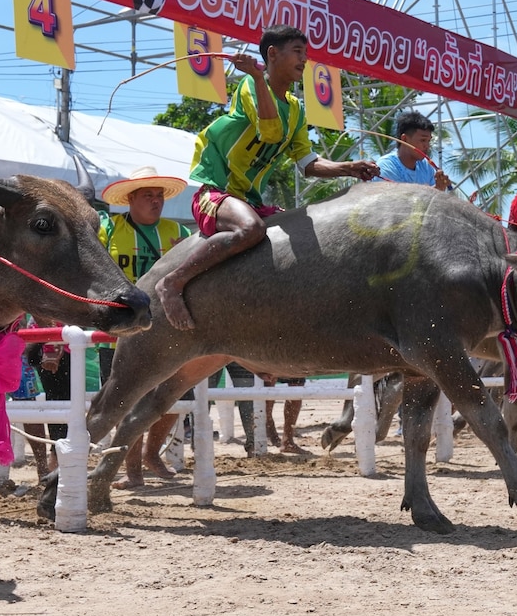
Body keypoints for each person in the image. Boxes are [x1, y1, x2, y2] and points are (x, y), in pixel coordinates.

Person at [159, 24, 379, 331]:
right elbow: (271, 131)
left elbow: (307, 162)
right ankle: (173, 282)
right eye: (297, 52)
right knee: (251, 229)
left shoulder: (296, 109)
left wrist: (348, 168)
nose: (304, 60)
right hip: (215, 193)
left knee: (298, 233)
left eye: (306, 53)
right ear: (272, 54)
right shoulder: (250, 86)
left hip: (250, 200)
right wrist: (259, 77)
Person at [96, 166, 191, 487]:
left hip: (168, 332)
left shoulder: (179, 233)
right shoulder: (108, 231)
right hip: (119, 332)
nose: (156, 201)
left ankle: (152, 454)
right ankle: (133, 471)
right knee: (124, 403)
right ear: (130, 200)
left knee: (173, 398)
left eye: (159, 195)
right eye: (148, 195)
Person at [376, 111, 451, 190]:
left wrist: (439, 189)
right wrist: (436, 190)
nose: (427, 146)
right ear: (404, 139)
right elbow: (396, 201)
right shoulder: (386, 166)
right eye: (423, 140)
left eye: (428, 141)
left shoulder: (426, 166)